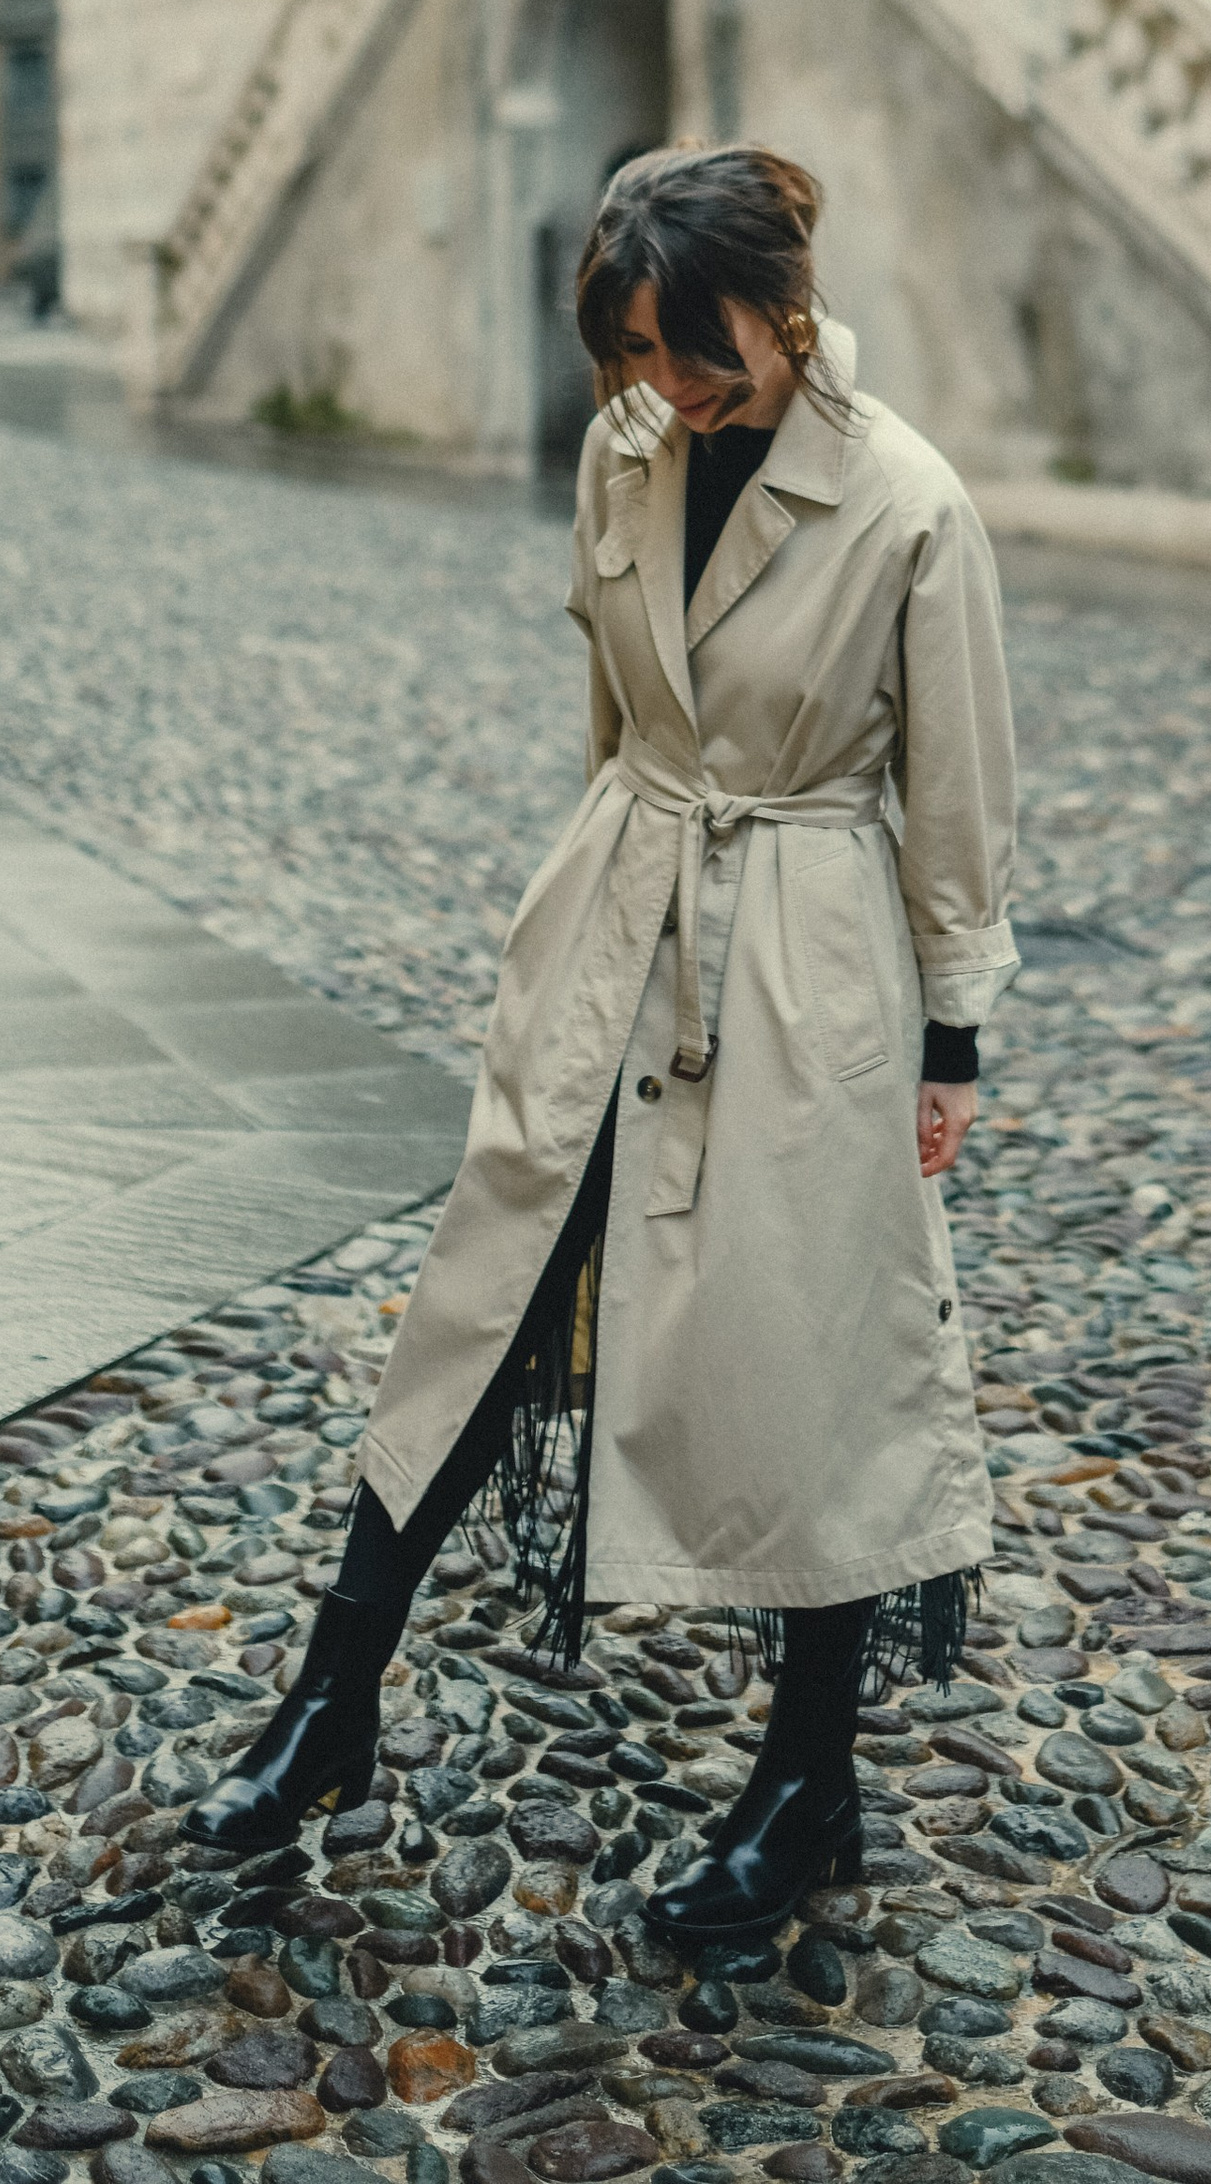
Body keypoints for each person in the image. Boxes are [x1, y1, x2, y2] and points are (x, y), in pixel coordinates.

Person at [186, 142, 1020, 1941]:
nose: (666, 386)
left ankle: (810, 1789)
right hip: (620, 914)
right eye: (634, 351)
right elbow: (611, 707)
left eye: (692, 349)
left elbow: (958, 798)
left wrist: (954, 1038)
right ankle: (335, 1701)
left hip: (806, 955)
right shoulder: (626, 450)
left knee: (812, 1362)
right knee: (479, 1302)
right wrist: (584, 908)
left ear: (785, 307)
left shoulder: (908, 504)